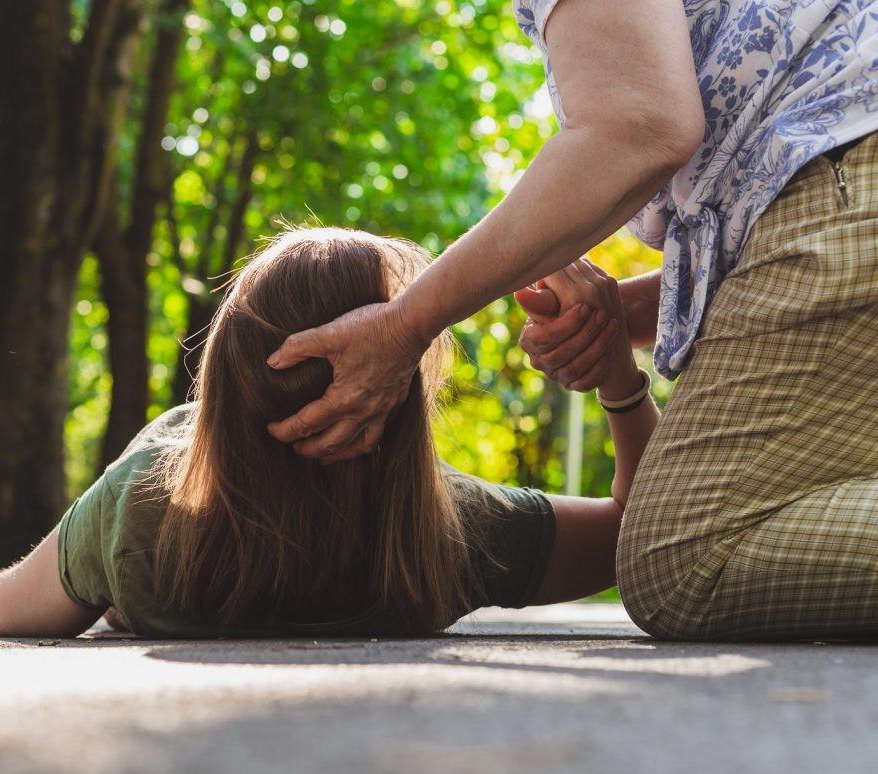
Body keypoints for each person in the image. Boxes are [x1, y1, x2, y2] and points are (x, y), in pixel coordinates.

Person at [263, 1, 878, 640]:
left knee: (686, 559)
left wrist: (405, 325)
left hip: (846, 176)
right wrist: (626, 326)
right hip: (844, 174)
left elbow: (638, 126)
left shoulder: (153, 515)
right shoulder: (458, 530)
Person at [0, 228, 656, 638]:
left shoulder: (142, 512)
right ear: (398, 397)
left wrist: (115, 572)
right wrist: (621, 382)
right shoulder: (453, 532)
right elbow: (641, 533)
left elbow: (2, 612)